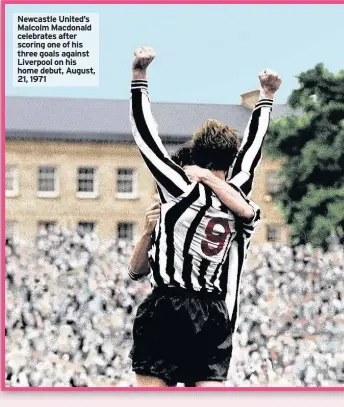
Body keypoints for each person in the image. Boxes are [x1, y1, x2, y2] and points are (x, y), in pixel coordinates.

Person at [129, 45, 281, 387]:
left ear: (195, 155)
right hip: (216, 310)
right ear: (229, 160)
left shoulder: (182, 185)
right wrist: (266, 97)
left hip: (169, 304)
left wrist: (139, 76)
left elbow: (147, 139)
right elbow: (253, 150)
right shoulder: (237, 189)